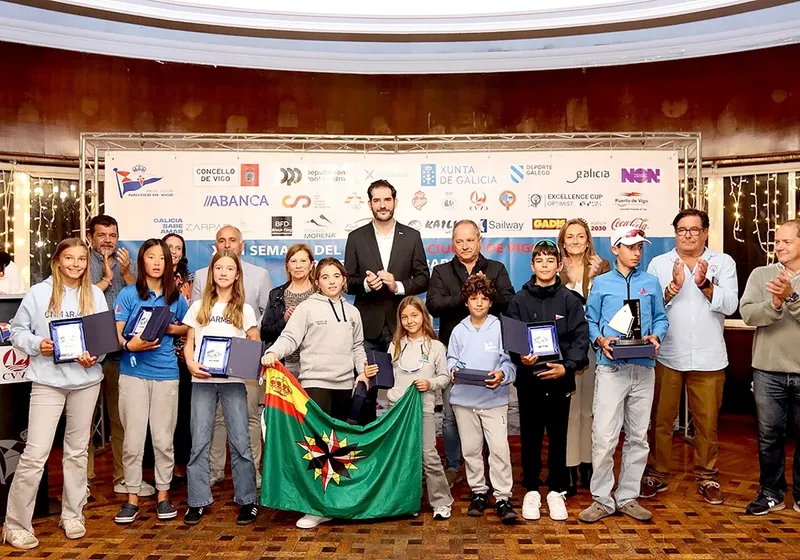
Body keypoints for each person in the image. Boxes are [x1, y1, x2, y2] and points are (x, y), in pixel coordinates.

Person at [2, 239, 107, 550]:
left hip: (86, 382)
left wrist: (94, 356)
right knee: (35, 454)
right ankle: (15, 524)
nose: (75, 264)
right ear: (58, 260)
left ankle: (73, 514)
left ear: (87, 264)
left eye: (81, 259)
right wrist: (39, 345)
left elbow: (102, 340)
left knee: (77, 452)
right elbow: (17, 331)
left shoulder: (96, 294)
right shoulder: (38, 293)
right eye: (69, 258)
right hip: (48, 382)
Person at [261, 257, 375, 529]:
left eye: (336, 276)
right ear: (317, 281)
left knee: (340, 449)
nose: (332, 281)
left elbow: (358, 347)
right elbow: (290, 337)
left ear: (344, 280)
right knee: (317, 450)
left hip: (345, 387)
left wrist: (362, 370)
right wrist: (272, 352)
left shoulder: (353, 312)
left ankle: (337, 503)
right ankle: (315, 507)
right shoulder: (306, 309)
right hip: (315, 384)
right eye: (325, 277)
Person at [641, 209, 738, 505]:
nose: (688, 235)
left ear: (706, 232)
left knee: (706, 423)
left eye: (694, 230)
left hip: (709, 357)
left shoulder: (722, 263)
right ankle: (656, 474)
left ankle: (707, 476)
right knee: (660, 419)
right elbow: (649, 307)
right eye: (682, 230)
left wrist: (704, 285)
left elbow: (731, 305)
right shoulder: (659, 263)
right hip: (667, 354)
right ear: (675, 234)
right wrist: (672, 287)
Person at [579, 227, 668, 524]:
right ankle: (603, 500)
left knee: (639, 437)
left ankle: (628, 496)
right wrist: (600, 340)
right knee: (604, 437)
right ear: (615, 249)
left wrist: (657, 334)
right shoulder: (601, 284)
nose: (637, 253)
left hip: (644, 369)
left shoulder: (651, 283)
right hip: (611, 368)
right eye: (631, 247)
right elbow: (591, 320)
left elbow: (660, 318)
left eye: (640, 247)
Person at [505, 239, 589, 521]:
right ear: (532, 266)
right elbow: (513, 341)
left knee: (557, 436)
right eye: (539, 261)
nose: (544, 265)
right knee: (529, 435)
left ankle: (556, 490)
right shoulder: (518, 300)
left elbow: (580, 340)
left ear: (559, 265)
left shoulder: (570, 300)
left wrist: (566, 367)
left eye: (550, 261)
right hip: (529, 381)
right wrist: (521, 357)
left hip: (559, 380)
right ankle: (530, 489)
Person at [427, 219, 515, 486]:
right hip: (454, 353)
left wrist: (484, 289)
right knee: (453, 417)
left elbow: (509, 301)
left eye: (470, 240)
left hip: (490, 355)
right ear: (453, 244)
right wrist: (468, 294)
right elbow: (434, 305)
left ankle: (492, 474)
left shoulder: (496, 268)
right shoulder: (441, 272)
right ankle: (454, 466)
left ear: (480, 241)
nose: (465, 246)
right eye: (459, 241)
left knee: (489, 420)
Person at [113, 239, 189, 525]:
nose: (157, 262)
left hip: (166, 373)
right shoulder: (128, 295)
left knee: (162, 439)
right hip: (132, 372)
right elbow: (116, 336)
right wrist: (130, 346)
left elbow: (187, 327)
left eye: (162, 258)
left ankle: (163, 495)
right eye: (151, 257)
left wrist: (171, 328)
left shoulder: (175, 297)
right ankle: (132, 498)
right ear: (141, 261)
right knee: (133, 439)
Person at [182, 250, 259, 526]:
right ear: (211, 273)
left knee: (240, 442)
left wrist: (239, 363)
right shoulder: (199, 306)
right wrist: (191, 363)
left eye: (229, 268)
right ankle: (197, 501)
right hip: (202, 380)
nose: (224, 272)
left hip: (234, 383)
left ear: (237, 275)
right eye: (218, 268)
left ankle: (248, 500)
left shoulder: (245, 309)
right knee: (199, 442)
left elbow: (253, 343)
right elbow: (189, 341)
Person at [344, 179, 430, 424]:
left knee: (405, 389)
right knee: (367, 390)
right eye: (377, 200)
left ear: (395, 202)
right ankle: (369, 449)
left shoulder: (412, 236)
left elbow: (424, 278)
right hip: (368, 327)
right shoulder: (356, 237)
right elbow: (347, 280)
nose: (382, 205)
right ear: (370, 204)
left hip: (404, 326)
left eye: (387, 200)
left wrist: (398, 286)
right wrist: (365, 285)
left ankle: (402, 445)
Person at [193, 225, 272, 488]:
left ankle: (254, 472)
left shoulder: (260, 275)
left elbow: (265, 319)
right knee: (214, 419)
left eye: (233, 240)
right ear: (215, 246)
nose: (227, 244)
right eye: (221, 240)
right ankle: (215, 469)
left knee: (248, 417)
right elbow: (196, 324)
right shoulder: (201, 275)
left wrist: (245, 353)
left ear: (242, 245)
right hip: (209, 367)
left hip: (242, 364)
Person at [370, 295, 453, 520]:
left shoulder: (435, 346)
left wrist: (430, 384)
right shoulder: (394, 345)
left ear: (423, 316)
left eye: (414, 315)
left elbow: (445, 377)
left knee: (428, 455)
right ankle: (407, 500)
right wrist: (372, 374)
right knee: (403, 456)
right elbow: (387, 377)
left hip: (423, 407)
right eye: (404, 317)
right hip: (397, 409)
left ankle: (442, 501)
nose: (409, 321)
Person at [740, 220, 800, 515]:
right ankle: (771, 492)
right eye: (777, 241)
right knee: (769, 436)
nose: (780, 247)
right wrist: (774, 305)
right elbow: (748, 313)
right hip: (767, 370)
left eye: (787, 241)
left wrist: (791, 296)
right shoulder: (761, 274)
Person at [447, 275, 517, 524]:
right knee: (471, 450)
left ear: (491, 302)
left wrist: (502, 375)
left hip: (494, 400)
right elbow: (451, 360)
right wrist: (453, 371)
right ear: (466, 301)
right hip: (464, 401)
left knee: (499, 450)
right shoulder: (458, 330)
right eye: (474, 298)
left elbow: (510, 363)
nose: (479, 303)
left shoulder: (500, 327)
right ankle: (478, 491)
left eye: (484, 299)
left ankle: (502, 497)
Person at [86, 215, 142, 495]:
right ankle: (83, 479)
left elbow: (139, 296)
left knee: (121, 418)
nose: (108, 240)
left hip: (120, 353)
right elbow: (77, 297)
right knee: (83, 420)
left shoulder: (126, 261)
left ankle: (122, 476)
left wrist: (126, 272)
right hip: (89, 351)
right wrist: (107, 280)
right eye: (102, 235)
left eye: (112, 235)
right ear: (90, 237)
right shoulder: (80, 261)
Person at [557, 218, 610, 494]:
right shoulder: (554, 269)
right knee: (570, 411)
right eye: (570, 237)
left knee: (590, 410)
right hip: (564, 350)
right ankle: (569, 467)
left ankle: (589, 465)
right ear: (562, 242)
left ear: (588, 239)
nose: (575, 241)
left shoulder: (602, 269)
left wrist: (593, 280)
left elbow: (607, 307)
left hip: (594, 346)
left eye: (580, 236)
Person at [260, 244, 316, 375]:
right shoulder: (276, 295)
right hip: (284, 365)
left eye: (303, 261)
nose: (298, 266)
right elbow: (265, 333)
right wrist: (284, 320)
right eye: (293, 261)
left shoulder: (320, 294)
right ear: (287, 266)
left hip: (313, 366)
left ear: (311, 265)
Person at [164, 233, 193, 481]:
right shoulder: (150, 280)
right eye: (169, 247)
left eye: (178, 248)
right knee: (162, 415)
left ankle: (180, 465)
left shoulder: (191, 281)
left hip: (184, 356)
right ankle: (161, 468)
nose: (173, 251)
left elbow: (194, 318)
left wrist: (174, 329)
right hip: (156, 355)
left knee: (183, 413)